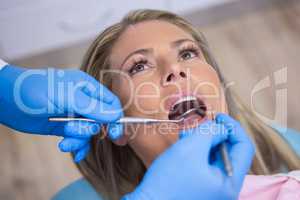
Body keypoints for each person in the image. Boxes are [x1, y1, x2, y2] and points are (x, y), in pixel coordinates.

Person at [52, 9, 300, 200]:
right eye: (139, 66)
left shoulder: (291, 154)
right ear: (115, 126)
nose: (174, 69)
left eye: (187, 54)